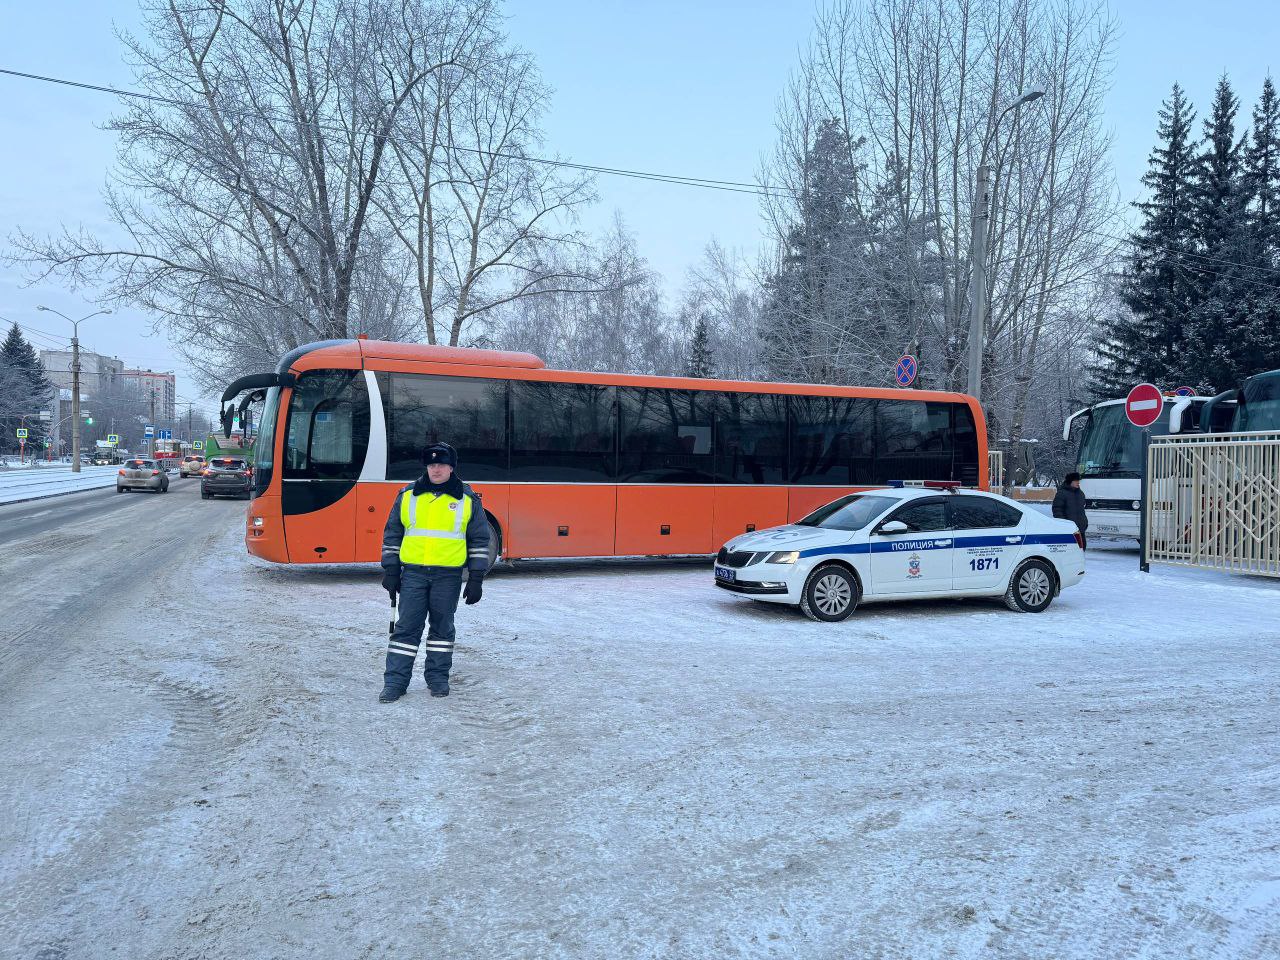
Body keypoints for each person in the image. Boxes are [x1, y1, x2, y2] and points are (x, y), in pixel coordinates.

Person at [378, 442, 491, 702]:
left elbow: (479, 541)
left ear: (451, 467)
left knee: (442, 629)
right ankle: (395, 682)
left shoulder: (467, 499)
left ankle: (437, 679)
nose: (436, 469)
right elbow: (392, 535)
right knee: (406, 629)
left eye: (441, 464)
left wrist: (476, 577)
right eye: (431, 464)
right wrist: (391, 569)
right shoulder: (407, 495)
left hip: (448, 576)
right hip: (413, 574)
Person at [1052, 471, 1089, 548]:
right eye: (1076, 481)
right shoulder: (1061, 493)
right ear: (1070, 482)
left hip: (1080, 528)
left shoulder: (1080, 493)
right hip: (1069, 529)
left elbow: (1082, 509)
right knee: (1071, 550)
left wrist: (1084, 522)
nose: (1078, 483)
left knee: (1082, 548)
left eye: (1078, 481)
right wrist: (1064, 523)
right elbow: (1057, 510)